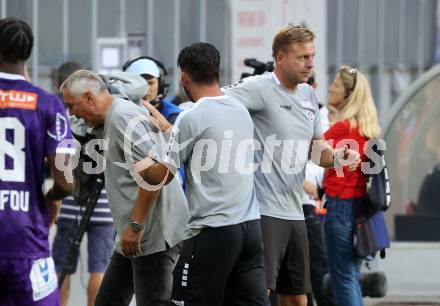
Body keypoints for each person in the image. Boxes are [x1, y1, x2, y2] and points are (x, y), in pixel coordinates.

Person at [223, 26, 360, 306]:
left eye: (312, 56)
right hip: (263, 212)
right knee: (260, 295)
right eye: (302, 57)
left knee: (298, 298)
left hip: (295, 211)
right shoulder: (259, 87)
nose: (310, 64)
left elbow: (316, 150)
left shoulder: (309, 96)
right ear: (280, 58)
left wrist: (337, 157)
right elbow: (212, 103)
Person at [142, 42, 268, 306]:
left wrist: (140, 160)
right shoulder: (240, 110)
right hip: (250, 230)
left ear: (184, 77)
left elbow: (163, 175)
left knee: (184, 300)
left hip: (213, 231)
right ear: (216, 70)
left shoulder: (190, 116)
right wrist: (170, 132)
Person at [60, 70, 189, 306]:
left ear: (89, 97)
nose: (70, 113)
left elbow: (155, 175)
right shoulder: (110, 118)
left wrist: (136, 225)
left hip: (153, 235)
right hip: (132, 237)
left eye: (72, 106)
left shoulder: (122, 117)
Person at [0, 17, 74, 306]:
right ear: (28, 53)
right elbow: (66, 183)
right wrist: (51, 197)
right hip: (27, 237)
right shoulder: (49, 104)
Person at [51, 61, 115, 306]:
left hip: (70, 203)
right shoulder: (101, 116)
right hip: (105, 207)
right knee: (99, 268)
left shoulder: (64, 118)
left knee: (61, 265)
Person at [323, 65, 381, 306]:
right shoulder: (368, 129)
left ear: (348, 95)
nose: (330, 88)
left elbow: (313, 151)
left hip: (340, 207)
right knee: (352, 277)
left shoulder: (342, 128)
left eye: (335, 84)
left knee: (343, 279)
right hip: (362, 210)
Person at [302, 76, 334, 306]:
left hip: (317, 200)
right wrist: (303, 183)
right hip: (299, 199)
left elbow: (323, 154)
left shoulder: (322, 115)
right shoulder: (284, 111)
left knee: (319, 260)